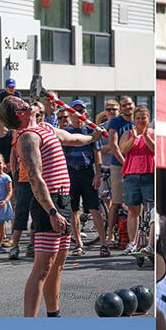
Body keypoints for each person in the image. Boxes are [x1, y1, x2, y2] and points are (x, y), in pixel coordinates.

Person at [0, 95, 105, 317]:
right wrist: (52, 212)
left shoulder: (45, 127)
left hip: (63, 198)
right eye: (20, 103)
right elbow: (35, 178)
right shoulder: (27, 137)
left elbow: (71, 138)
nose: (25, 101)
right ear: (19, 114)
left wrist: (92, 137)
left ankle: (54, 315)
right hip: (49, 204)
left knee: (57, 265)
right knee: (43, 267)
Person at [61, 100, 106, 256]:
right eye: (75, 111)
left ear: (86, 114)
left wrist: (98, 174)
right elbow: (62, 155)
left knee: (94, 208)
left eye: (81, 111)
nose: (78, 114)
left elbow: (97, 153)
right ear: (71, 114)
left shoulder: (91, 131)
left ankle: (103, 244)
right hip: (70, 172)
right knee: (73, 210)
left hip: (87, 172)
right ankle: (78, 243)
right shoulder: (65, 131)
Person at [118, 105, 154, 254]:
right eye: (138, 118)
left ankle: (149, 242)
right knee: (133, 211)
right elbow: (123, 150)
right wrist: (134, 137)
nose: (141, 121)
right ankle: (132, 243)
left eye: (143, 118)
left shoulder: (153, 133)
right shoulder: (127, 134)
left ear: (148, 119)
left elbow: (155, 150)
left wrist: (146, 136)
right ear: (134, 120)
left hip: (149, 174)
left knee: (151, 210)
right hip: (131, 175)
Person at [104, 97, 134, 247]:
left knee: (134, 203)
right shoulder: (115, 121)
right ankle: (110, 236)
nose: (128, 107)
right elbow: (113, 145)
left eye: (129, 104)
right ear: (121, 109)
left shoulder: (139, 121)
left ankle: (132, 237)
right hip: (119, 166)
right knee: (116, 202)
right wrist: (125, 162)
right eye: (124, 105)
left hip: (136, 166)